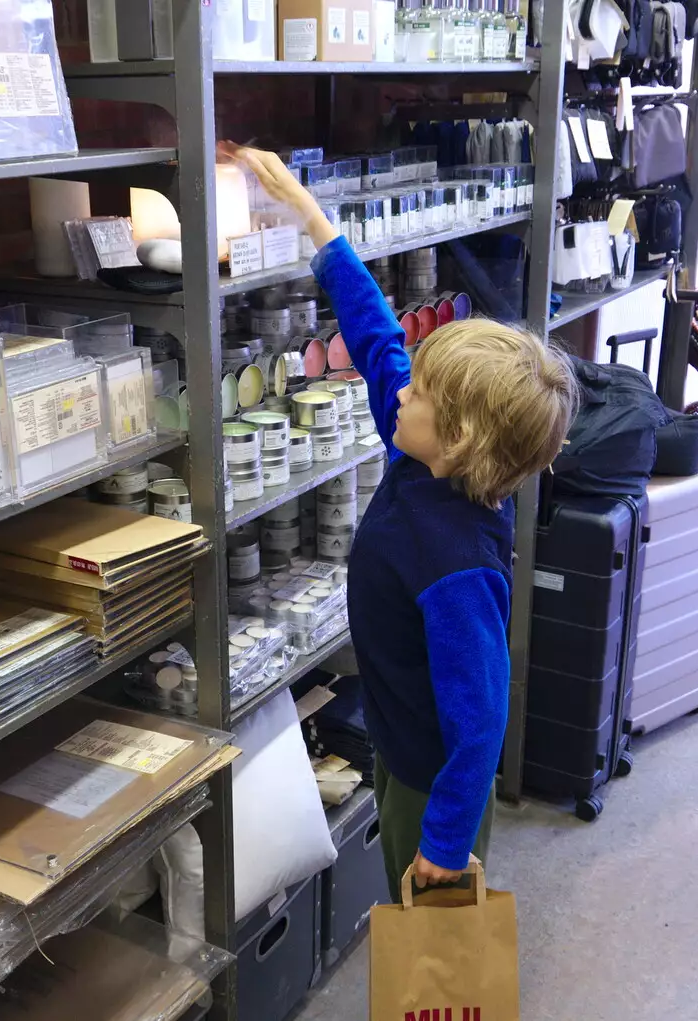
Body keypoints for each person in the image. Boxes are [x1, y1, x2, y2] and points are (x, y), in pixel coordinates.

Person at [232, 146, 580, 897]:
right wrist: (314, 221)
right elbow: (377, 339)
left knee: (431, 925)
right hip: (404, 743)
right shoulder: (423, 455)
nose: (399, 393)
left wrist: (449, 840)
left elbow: (483, 716)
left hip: (435, 778)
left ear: (458, 439)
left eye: (418, 392)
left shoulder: (458, 565)